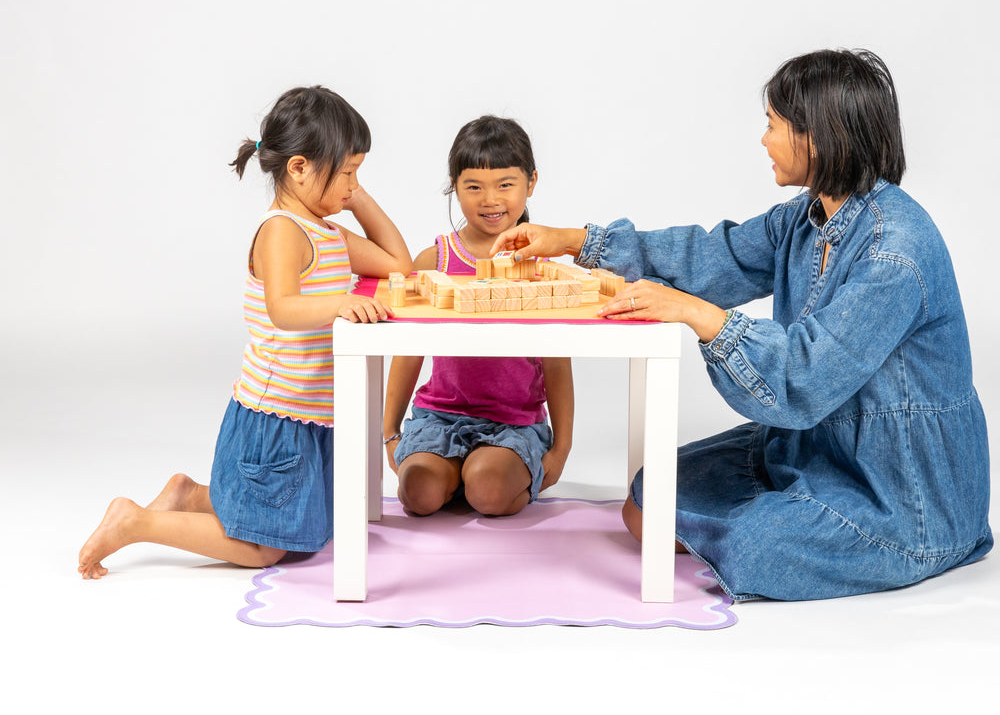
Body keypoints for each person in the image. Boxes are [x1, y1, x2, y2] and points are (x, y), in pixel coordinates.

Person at [491, 50, 992, 601]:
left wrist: (692, 311)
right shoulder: (804, 218)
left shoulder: (895, 252)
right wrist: (574, 240)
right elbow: (710, 257)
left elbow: (806, 377)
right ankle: (787, 508)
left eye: (773, 124)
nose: (763, 139)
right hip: (814, 447)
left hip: (903, 495)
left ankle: (851, 533)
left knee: (755, 547)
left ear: (817, 138)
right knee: (646, 499)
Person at [78, 86, 412, 579]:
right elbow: (282, 308)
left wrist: (354, 194)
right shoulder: (282, 230)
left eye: (357, 174)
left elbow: (397, 263)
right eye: (346, 173)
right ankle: (136, 522)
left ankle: (189, 494)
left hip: (311, 414)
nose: (352, 185)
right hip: (276, 417)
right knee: (264, 549)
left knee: (309, 528)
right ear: (298, 168)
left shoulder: (327, 232)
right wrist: (340, 302)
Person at [383, 115, 574, 517]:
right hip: (440, 415)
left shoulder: (544, 264)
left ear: (531, 183)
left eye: (505, 185)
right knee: (418, 494)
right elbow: (407, 349)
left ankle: (480, 476)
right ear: (455, 186)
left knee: (488, 492)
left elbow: (557, 361)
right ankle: (453, 473)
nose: (490, 200)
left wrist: (561, 450)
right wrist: (389, 431)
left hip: (513, 422)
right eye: (474, 187)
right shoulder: (435, 260)